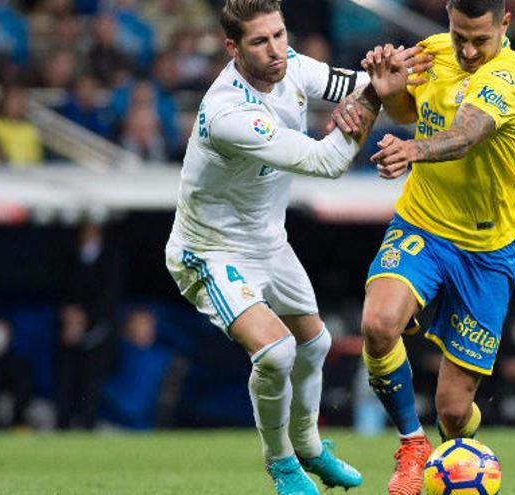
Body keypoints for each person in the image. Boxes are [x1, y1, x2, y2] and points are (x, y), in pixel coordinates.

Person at [162, 1, 430, 493]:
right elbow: (325, 163)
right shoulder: (230, 113)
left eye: (280, 34)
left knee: (316, 344)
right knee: (277, 352)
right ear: (233, 48)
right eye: (259, 42)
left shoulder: (294, 66)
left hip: (269, 242)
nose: (276, 49)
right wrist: (373, 99)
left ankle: (309, 445)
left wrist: (398, 68)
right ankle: (282, 462)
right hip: (212, 252)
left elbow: (358, 84)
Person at [343, 1, 515, 493]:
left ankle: (463, 454)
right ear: (448, 16)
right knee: (378, 324)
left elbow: (466, 134)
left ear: (504, 23)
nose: (468, 50)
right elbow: (411, 110)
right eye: (459, 35)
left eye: (480, 41)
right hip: (422, 224)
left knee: (452, 409)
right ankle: (411, 444)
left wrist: (412, 150)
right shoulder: (433, 51)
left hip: (486, 249)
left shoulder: (509, 76)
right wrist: (389, 89)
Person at [54, 222, 125, 430]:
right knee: (65, 384)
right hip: (69, 333)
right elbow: (61, 292)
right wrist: (69, 317)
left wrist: (85, 318)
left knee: (91, 385)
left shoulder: (112, 261)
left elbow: (110, 298)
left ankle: (88, 429)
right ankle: (62, 429)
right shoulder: (69, 260)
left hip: (98, 334)